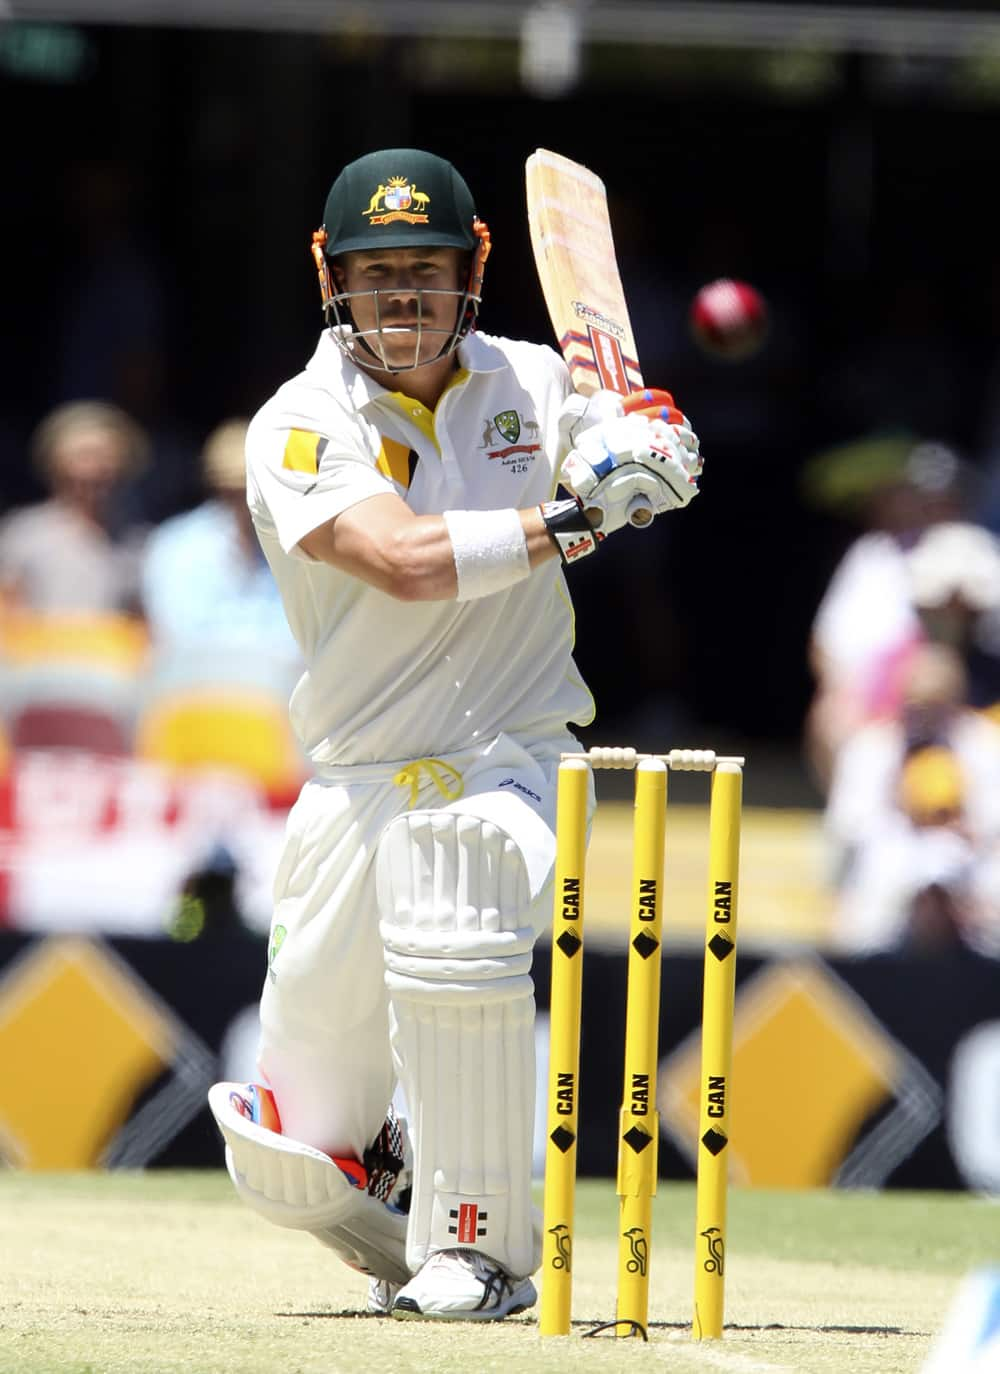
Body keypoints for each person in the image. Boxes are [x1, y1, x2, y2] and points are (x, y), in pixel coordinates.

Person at [207, 148, 702, 1322]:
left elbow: (620, 436)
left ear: (476, 268)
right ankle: (404, 1176)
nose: (404, 298)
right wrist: (583, 515)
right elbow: (401, 561)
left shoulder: (535, 380)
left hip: (509, 752)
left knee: (457, 874)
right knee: (291, 1155)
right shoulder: (297, 422)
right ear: (328, 276)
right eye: (377, 274)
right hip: (355, 777)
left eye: (427, 270)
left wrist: (650, 443)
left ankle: (478, 1245)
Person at [824, 641, 1000, 957]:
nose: (927, 720)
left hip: (969, 868)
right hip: (895, 859)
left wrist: (960, 825)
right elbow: (848, 824)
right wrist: (903, 807)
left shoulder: (984, 743)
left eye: (937, 709)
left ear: (956, 703)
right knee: (881, 874)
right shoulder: (872, 747)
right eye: (919, 708)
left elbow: (993, 821)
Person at [0, 400, 149, 615]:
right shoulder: (24, 533)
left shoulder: (138, 541)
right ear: (56, 463)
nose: (97, 470)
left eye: (108, 458)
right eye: (85, 457)